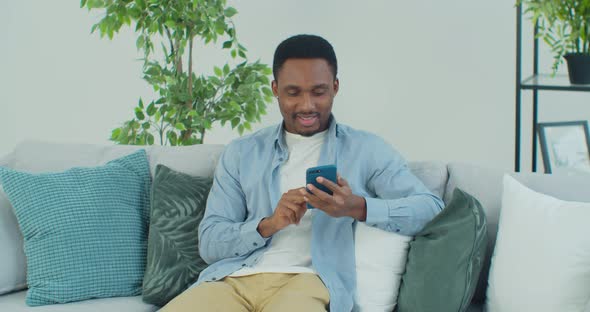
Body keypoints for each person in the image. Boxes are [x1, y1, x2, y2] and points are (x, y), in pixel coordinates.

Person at [161, 34, 444, 312]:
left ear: (335, 87)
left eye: (318, 92)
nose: (307, 105)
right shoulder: (241, 153)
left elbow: (431, 210)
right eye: (293, 92)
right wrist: (269, 224)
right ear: (275, 89)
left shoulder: (366, 150)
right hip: (232, 280)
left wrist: (356, 207)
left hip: (308, 282)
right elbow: (210, 243)